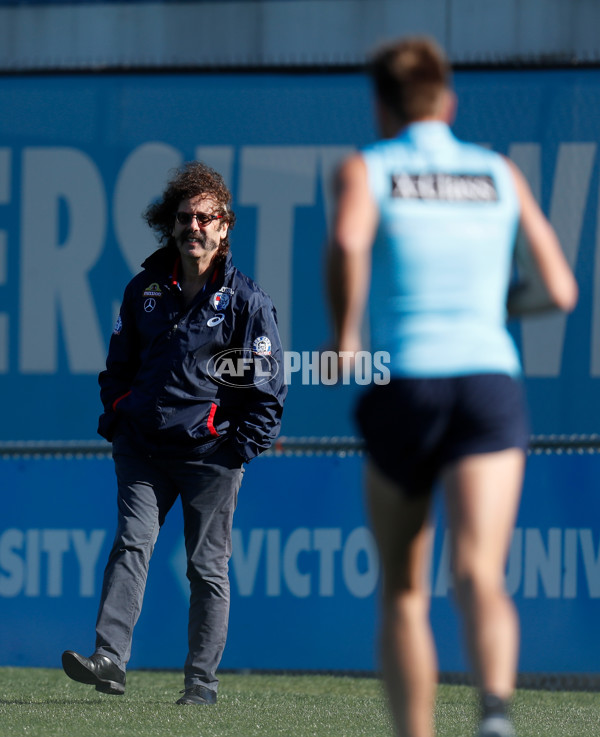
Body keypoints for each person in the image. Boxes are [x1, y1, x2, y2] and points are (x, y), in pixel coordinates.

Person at [327, 37, 577, 737]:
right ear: (449, 102)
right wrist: (498, 308)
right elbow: (559, 289)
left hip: (408, 382)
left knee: (406, 592)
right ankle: (494, 714)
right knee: (480, 573)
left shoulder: (367, 168)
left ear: (380, 105)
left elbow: (348, 244)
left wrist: (345, 337)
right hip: (488, 383)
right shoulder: (498, 173)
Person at [62, 161, 287, 705]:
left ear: (225, 226)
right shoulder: (143, 290)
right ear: (172, 223)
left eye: (206, 218)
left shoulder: (246, 301)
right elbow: (116, 369)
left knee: (206, 569)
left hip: (211, 455)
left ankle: (201, 685)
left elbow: (269, 389)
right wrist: (121, 416)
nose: (194, 227)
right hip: (143, 450)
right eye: (185, 217)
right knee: (132, 544)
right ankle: (109, 660)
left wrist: (236, 447)